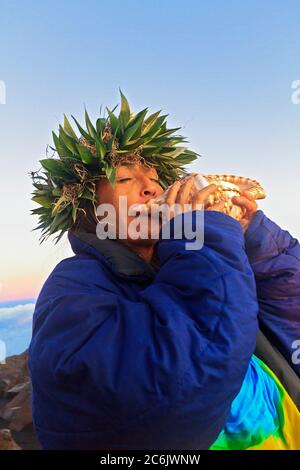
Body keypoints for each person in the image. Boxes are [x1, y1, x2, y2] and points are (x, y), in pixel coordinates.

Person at [28, 92, 300, 450]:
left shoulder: (210, 256)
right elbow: (169, 389)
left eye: (155, 178)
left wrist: (256, 240)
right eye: (125, 180)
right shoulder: (71, 287)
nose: (152, 187)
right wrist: (202, 238)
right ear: (91, 215)